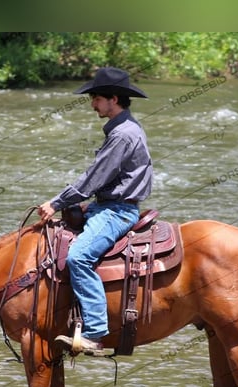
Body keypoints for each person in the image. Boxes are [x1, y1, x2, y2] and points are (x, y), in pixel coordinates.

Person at [37, 67, 153, 355]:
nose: (92, 104)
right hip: (108, 205)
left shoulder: (123, 135)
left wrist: (56, 203)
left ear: (113, 99)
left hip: (117, 212)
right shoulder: (122, 129)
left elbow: (93, 178)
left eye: (96, 99)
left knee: (78, 257)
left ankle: (95, 331)